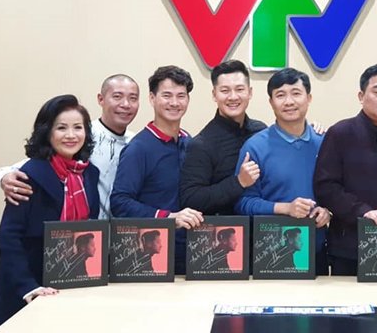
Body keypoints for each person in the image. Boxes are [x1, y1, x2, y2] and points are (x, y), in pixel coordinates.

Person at [0, 95, 100, 331]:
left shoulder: (90, 174)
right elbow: (9, 236)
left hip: (73, 281)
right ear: (47, 132)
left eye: (78, 127)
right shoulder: (28, 175)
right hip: (30, 284)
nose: (71, 135)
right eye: (61, 128)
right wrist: (28, 286)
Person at [0, 74, 140, 219]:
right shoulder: (81, 136)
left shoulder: (136, 142)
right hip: (83, 226)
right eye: (117, 96)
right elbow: (35, 164)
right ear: (100, 99)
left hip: (123, 228)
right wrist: (4, 176)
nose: (125, 104)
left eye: (133, 98)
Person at [314, 64, 377, 276]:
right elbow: (325, 187)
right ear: (361, 96)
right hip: (351, 247)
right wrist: (363, 211)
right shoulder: (341, 133)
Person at [235, 68, 330, 274]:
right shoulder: (255, 147)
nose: (289, 102)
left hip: (317, 250)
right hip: (271, 252)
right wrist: (286, 208)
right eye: (280, 95)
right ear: (271, 102)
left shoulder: (325, 143)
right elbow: (243, 203)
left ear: (309, 98)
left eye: (296, 93)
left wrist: (329, 212)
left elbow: (338, 191)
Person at [110, 66, 203, 274]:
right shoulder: (138, 148)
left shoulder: (189, 142)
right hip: (152, 256)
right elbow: (119, 201)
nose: (174, 103)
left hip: (192, 252)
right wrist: (168, 217)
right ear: (152, 98)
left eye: (181, 96)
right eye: (167, 95)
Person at [179, 60, 266, 215]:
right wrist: (239, 182)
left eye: (240, 89)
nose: (233, 97)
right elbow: (191, 198)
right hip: (225, 227)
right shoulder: (201, 144)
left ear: (250, 92)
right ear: (214, 95)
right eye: (225, 90)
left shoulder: (261, 131)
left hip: (264, 225)